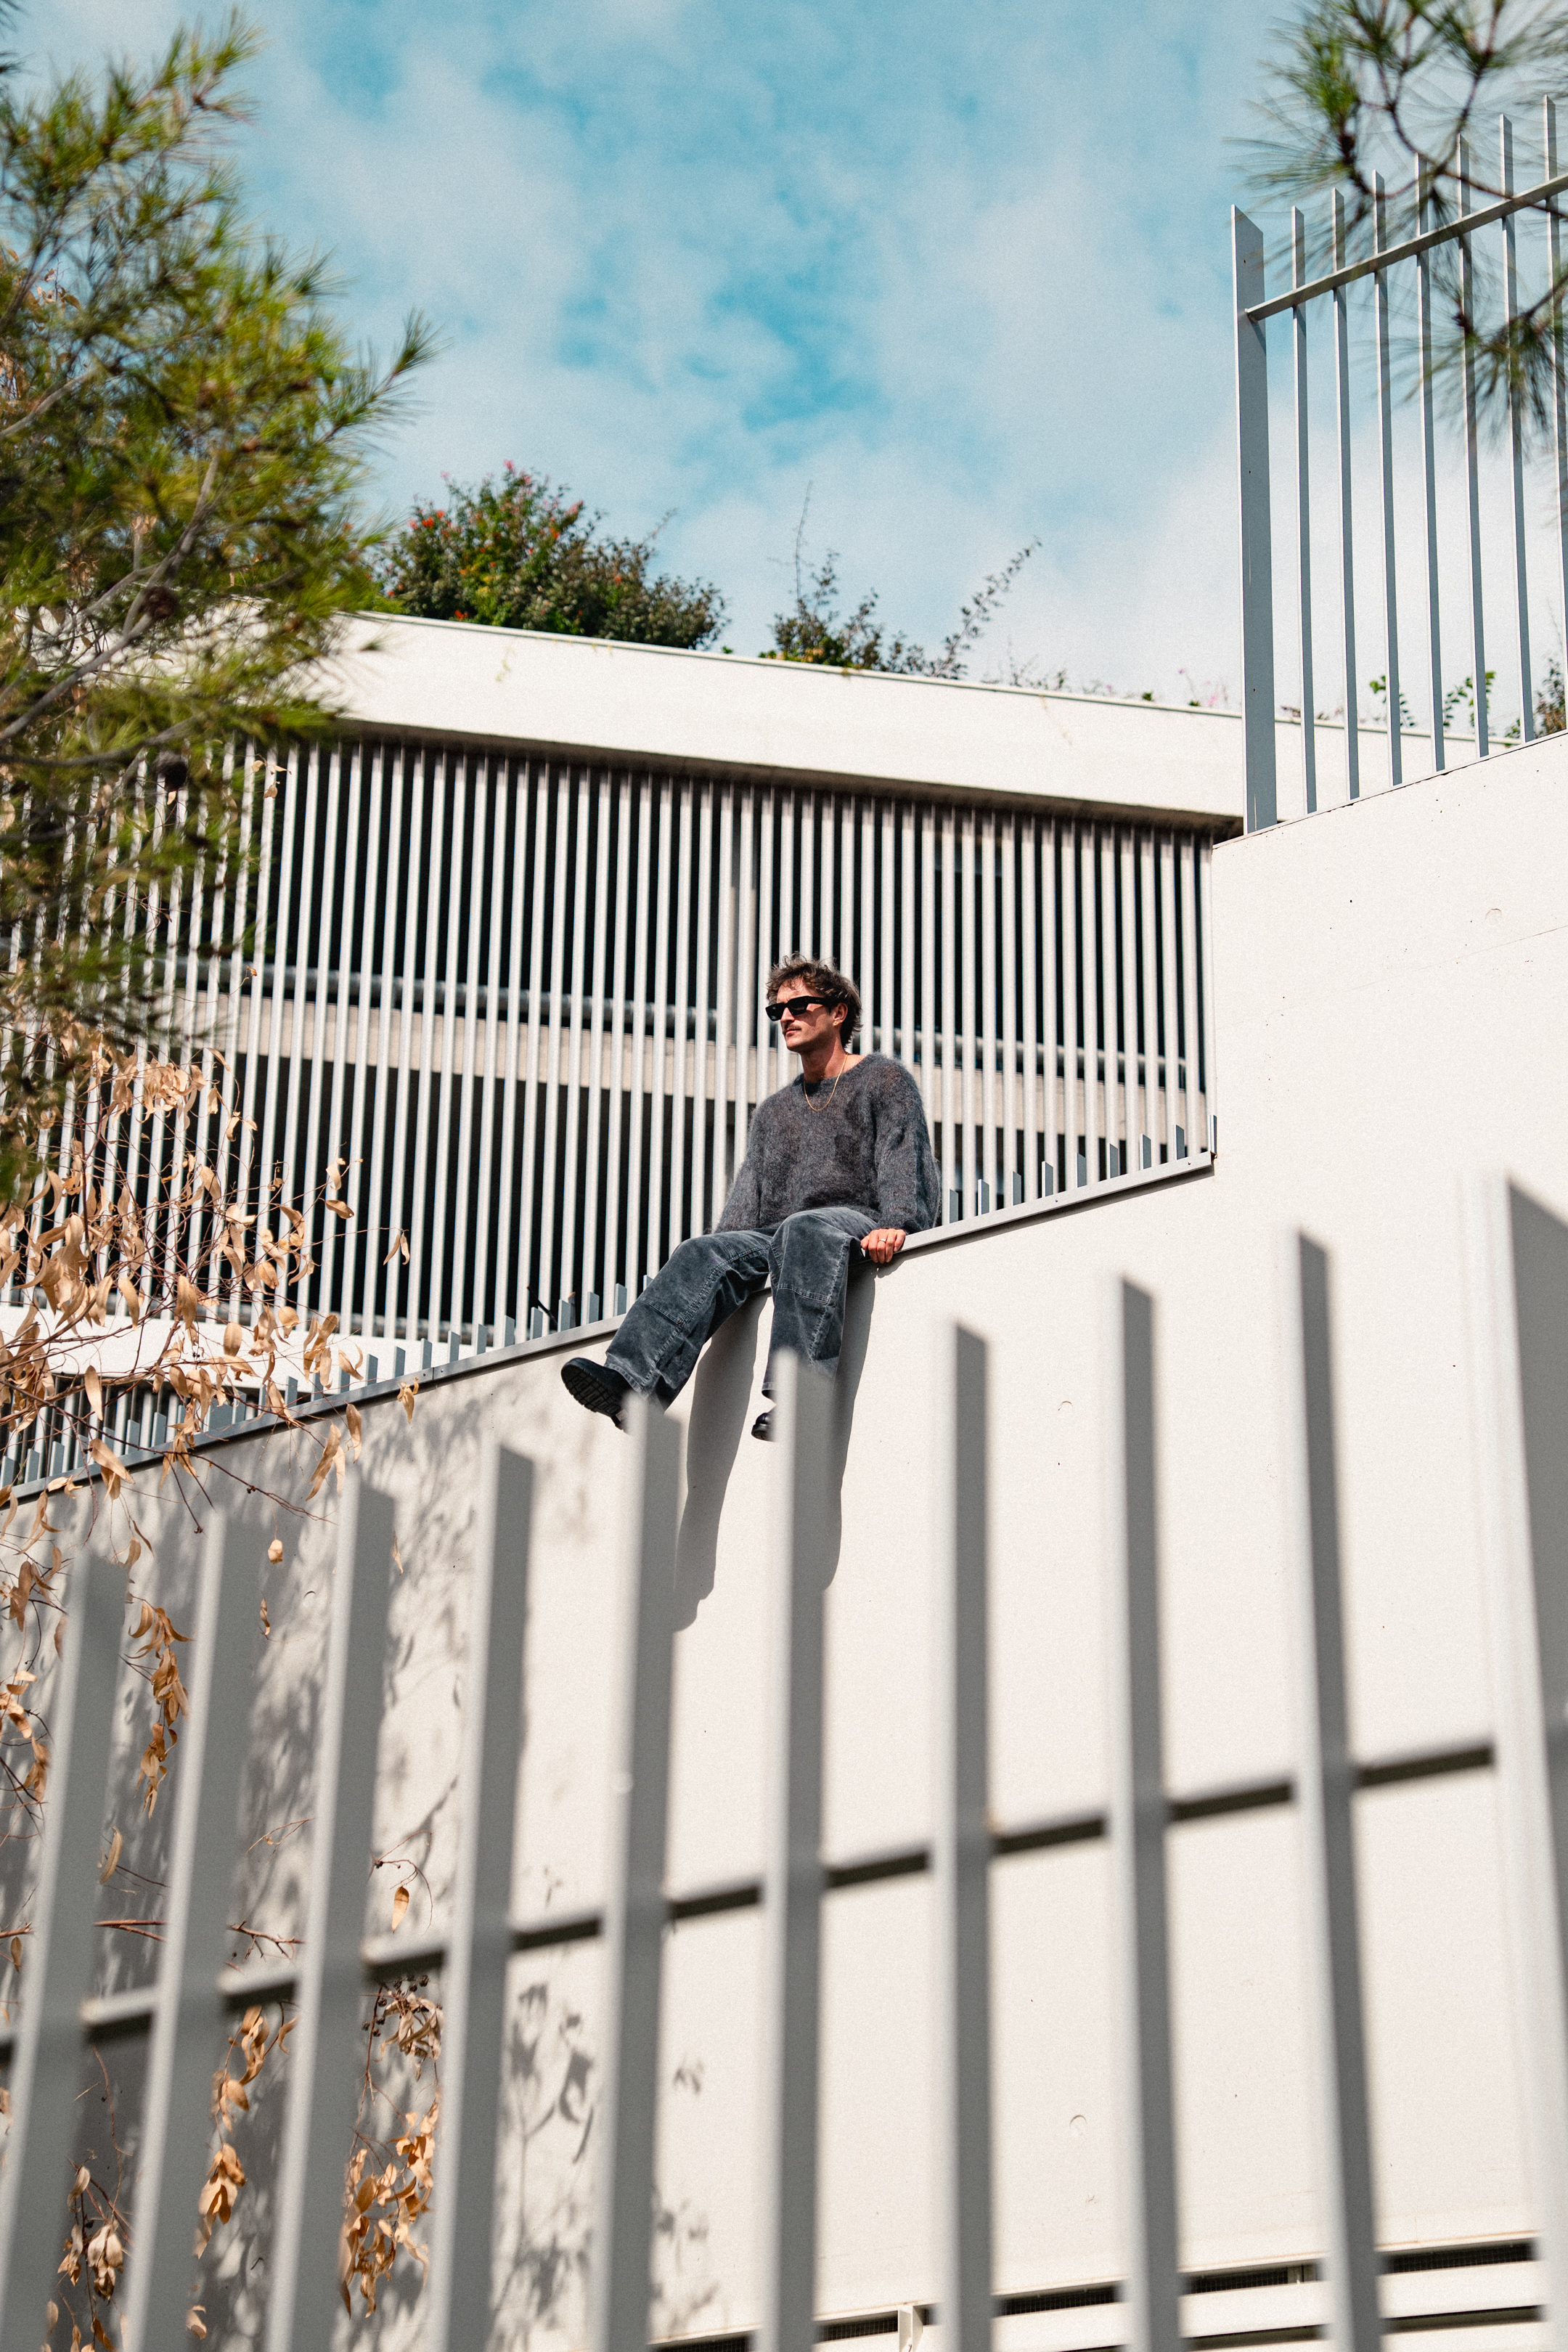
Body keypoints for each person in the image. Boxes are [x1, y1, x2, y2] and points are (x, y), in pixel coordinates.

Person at [561, 954, 939, 1440]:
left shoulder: (883, 1080)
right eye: (777, 1010)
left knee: (805, 1229)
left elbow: (905, 1158)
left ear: (838, 1012)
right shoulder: (775, 1112)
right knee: (701, 1250)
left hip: (856, 1219)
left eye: (799, 1006)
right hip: (779, 1236)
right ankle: (633, 1385)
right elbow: (743, 1211)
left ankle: (803, 1399)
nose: (786, 1017)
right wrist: (718, 1257)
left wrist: (901, 1223)